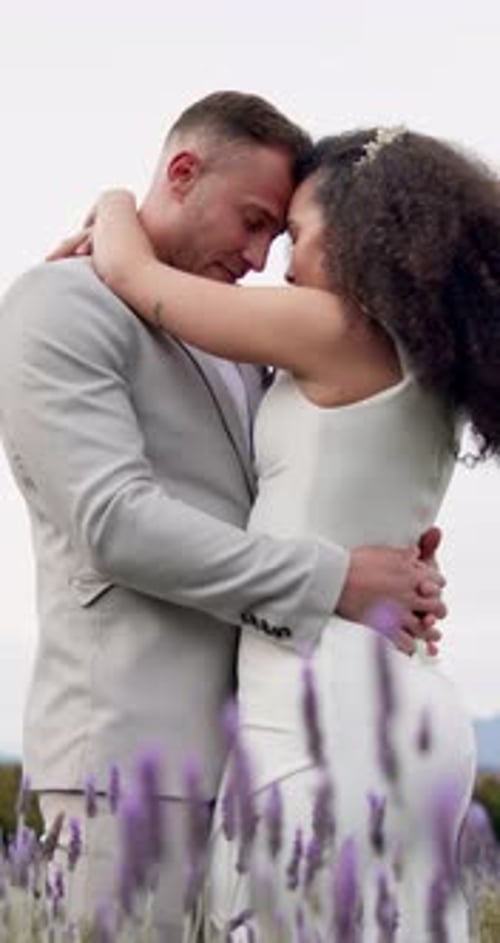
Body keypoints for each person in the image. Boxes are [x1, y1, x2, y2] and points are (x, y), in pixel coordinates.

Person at [0, 96, 444, 941]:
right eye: (251, 223)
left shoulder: (227, 337)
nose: (258, 256)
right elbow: (114, 521)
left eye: (277, 236)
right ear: (181, 173)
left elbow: (285, 496)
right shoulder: (59, 306)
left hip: (262, 759)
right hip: (125, 761)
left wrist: (389, 560)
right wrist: (335, 580)